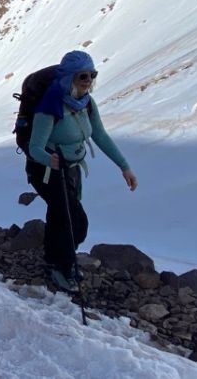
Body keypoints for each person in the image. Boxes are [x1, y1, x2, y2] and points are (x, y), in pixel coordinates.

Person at [26, 51, 139, 292]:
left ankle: (56, 260)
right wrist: (50, 160)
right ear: (68, 77)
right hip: (48, 171)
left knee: (61, 217)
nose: (88, 80)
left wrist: (124, 166)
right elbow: (35, 147)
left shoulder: (86, 102)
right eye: (82, 76)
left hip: (72, 169)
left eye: (92, 75)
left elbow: (99, 135)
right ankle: (63, 267)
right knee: (74, 222)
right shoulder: (50, 105)